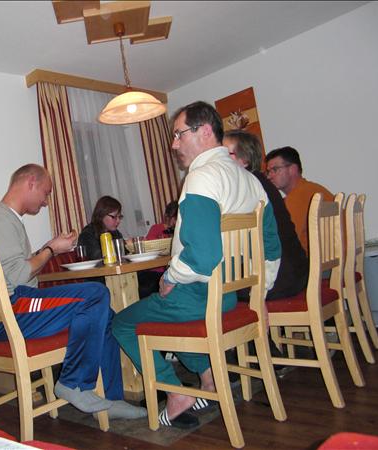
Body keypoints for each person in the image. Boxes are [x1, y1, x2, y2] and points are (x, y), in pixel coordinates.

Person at [112, 102, 281, 428]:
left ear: (204, 131)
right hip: (227, 298)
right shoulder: (251, 181)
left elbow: (203, 257)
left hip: (198, 295)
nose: (173, 144)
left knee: (123, 323)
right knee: (170, 320)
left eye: (179, 134)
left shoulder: (202, 178)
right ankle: (210, 380)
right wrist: (260, 292)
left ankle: (175, 393)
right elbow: (272, 247)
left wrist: (170, 277)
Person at [0, 164, 145, 420]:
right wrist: (51, 250)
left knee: (105, 315)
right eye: (45, 192)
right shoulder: (0, 218)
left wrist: (51, 247)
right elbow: (18, 276)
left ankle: (110, 399)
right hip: (11, 313)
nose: (45, 202)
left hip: (17, 307)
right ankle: (74, 383)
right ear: (31, 182)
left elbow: (13, 269)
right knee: (96, 293)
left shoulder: (3, 219)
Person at [224, 130, 308, 300]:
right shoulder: (260, 182)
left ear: (244, 160)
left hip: (279, 277)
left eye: (226, 154)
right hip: (296, 270)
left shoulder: (247, 187)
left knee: (210, 287)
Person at [265, 146, 333, 254]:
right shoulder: (312, 189)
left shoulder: (298, 196)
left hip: (315, 262)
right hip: (335, 259)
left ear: (292, 169)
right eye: (268, 172)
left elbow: (284, 240)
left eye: (275, 170)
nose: (269, 176)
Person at [77, 196, 124, 260]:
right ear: (102, 215)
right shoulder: (87, 234)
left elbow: (125, 255)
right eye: (114, 217)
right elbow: (99, 259)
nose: (118, 221)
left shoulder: (115, 233)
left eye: (120, 217)